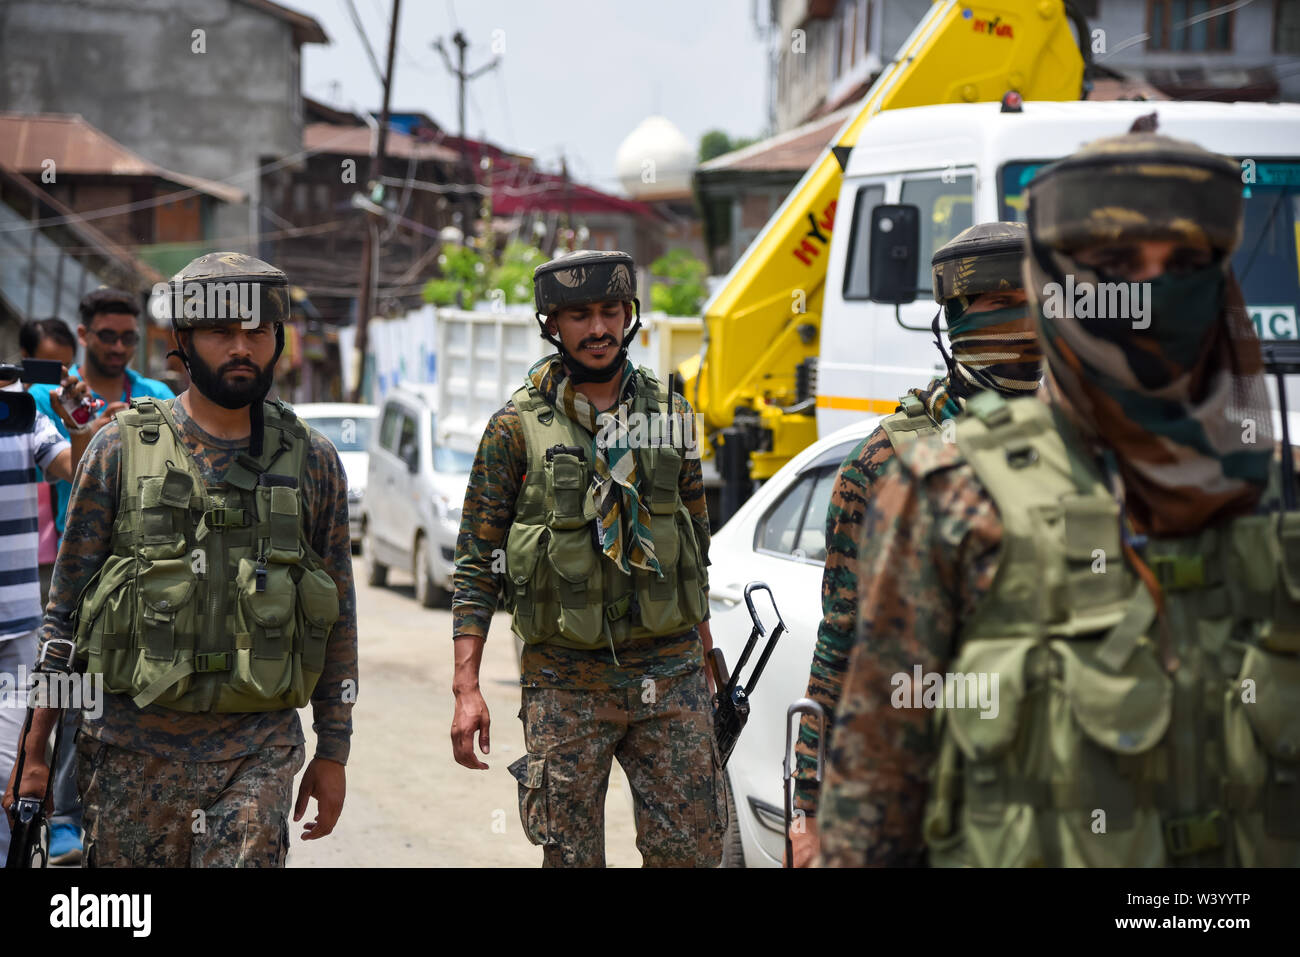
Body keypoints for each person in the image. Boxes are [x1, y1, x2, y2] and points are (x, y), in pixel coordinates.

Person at [818, 127, 1300, 867]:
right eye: (1117, 267)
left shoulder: (1278, 499)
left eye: (1183, 266)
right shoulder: (951, 492)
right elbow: (876, 783)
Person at [3, 252, 357, 867]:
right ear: (184, 342)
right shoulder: (117, 450)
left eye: (257, 331)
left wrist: (334, 749)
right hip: (127, 756)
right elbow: (63, 618)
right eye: (222, 332)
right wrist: (35, 755)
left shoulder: (314, 460)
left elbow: (340, 617)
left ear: (277, 339)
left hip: (257, 755)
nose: (241, 347)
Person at [450, 249, 725, 867]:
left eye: (610, 311)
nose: (598, 328)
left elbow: (694, 547)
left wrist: (710, 659)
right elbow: (476, 563)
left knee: (692, 852)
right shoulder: (515, 428)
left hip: (670, 672)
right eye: (579, 315)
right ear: (552, 324)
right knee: (570, 858)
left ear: (630, 315)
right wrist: (466, 685)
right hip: (565, 680)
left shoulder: (672, 416)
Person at [788, 222, 1040, 866]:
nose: (1023, 323)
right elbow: (839, 644)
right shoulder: (884, 464)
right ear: (953, 321)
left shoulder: (1086, 453)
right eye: (997, 304)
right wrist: (809, 811)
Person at [17, 317, 120, 866]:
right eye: (43, 368)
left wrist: (80, 418)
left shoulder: (32, 413)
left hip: (48, 581)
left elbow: (77, 469)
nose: (49, 381)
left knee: (54, 703)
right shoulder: (23, 404)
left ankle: (60, 820)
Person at [0, 356, 99, 862]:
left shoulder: (17, 410)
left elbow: (76, 471)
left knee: (9, 778)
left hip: (16, 630)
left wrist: (76, 422)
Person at [28, 289, 175, 546]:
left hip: (149, 549)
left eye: (128, 338)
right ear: (83, 335)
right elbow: (71, 472)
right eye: (108, 336)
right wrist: (90, 433)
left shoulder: (158, 394)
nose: (118, 347)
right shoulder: (48, 397)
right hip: (78, 548)